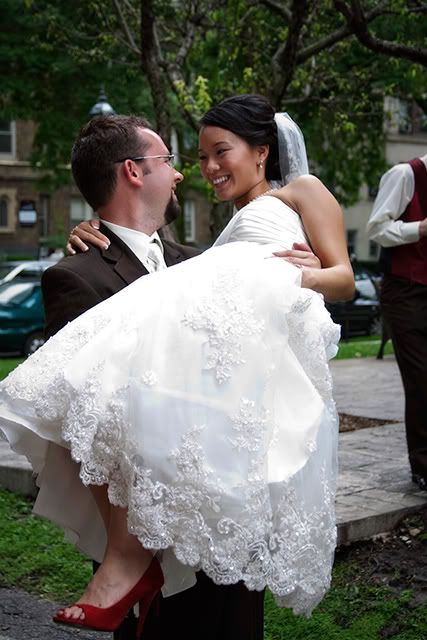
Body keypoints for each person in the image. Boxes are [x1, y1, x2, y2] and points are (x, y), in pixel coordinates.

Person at [0, 95, 354, 636]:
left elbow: (332, 279)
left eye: (218, 153)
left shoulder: (199, 258)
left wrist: (289, 276)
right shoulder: (79, 273)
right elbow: (93, 412)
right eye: (175, 160)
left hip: (224, 494)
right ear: (134, 172)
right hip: (157, 519)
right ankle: (126, 561)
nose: (194, 171)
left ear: (262, 152)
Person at [367, 153, 427, 490]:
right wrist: (420, 228)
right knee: (420, 380)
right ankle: (423, 466)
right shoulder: (405, 175)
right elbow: (376, 228)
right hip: (405, 290)